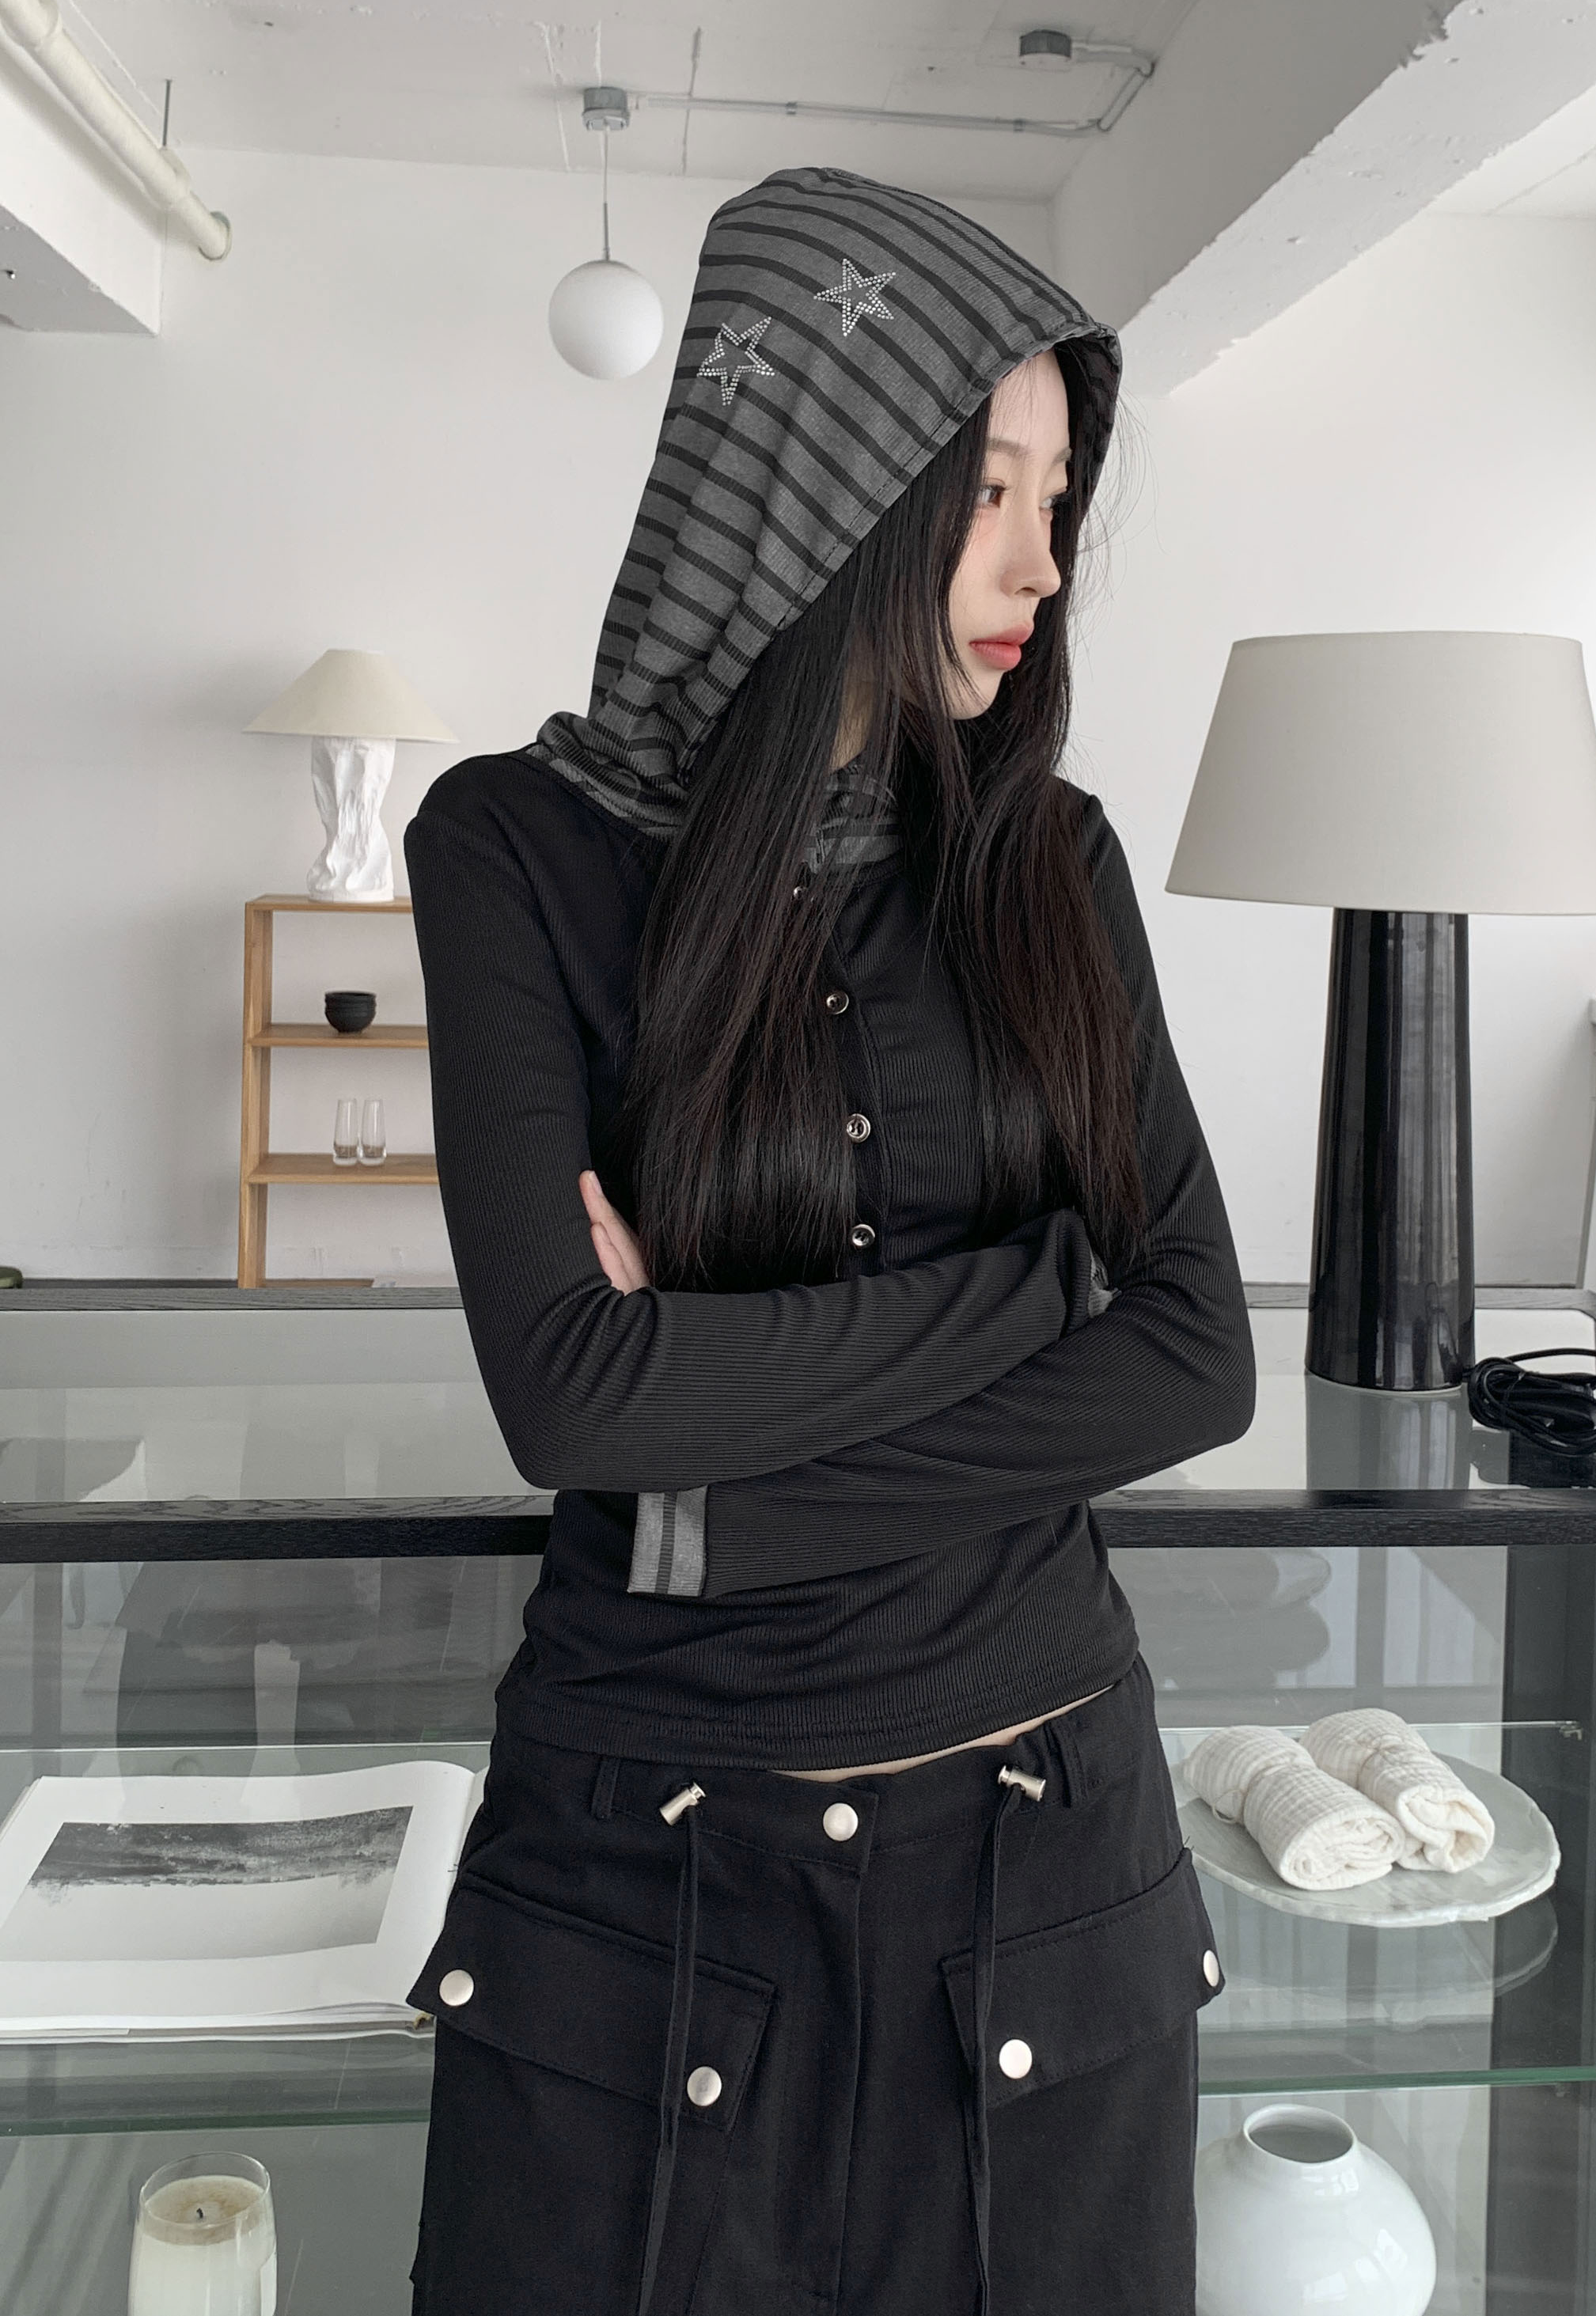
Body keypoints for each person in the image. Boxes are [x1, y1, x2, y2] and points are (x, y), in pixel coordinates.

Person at [401, 163, 1256, 2316]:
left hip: (1047, 1861)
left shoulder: (1054, 861)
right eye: (987, 493)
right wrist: (1035, 1288)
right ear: (819, 484)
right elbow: (568, 1397)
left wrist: (710, 1499)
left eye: (1057, 497)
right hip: (637, 1889)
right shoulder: (513, 849)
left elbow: (1195, 1355)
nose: (1039, 563)